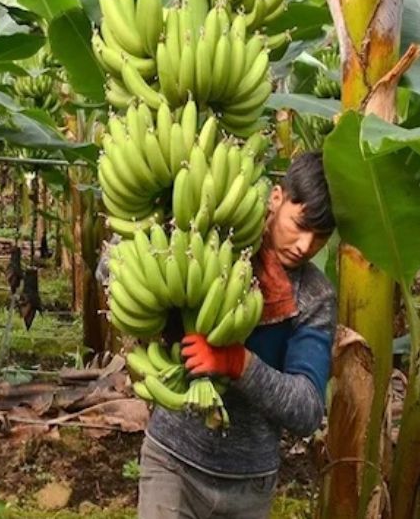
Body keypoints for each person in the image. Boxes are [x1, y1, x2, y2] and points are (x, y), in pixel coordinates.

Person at [136, 152, 337, 519]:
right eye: (300, 224)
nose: (306, 246)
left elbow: (308, 409)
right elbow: (112, 268)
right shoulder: (207, 242)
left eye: (320, 236)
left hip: (249, 486)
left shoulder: (314, 296)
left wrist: (238, 363)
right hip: (174, 466)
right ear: (276, 197)